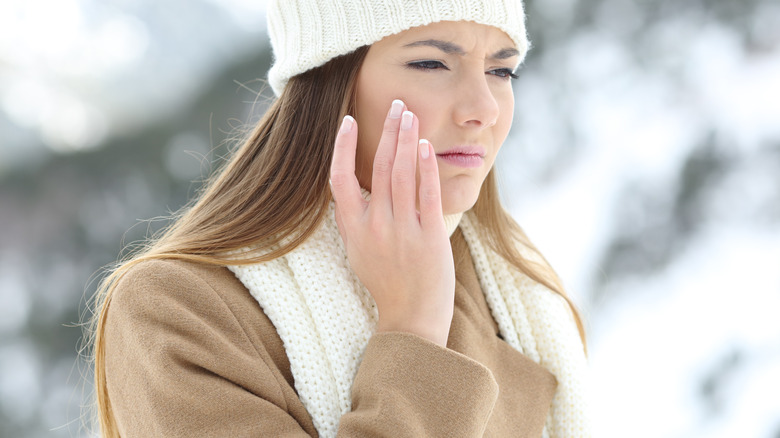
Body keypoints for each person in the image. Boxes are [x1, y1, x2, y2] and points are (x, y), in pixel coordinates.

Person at [88, 1, 590, 437]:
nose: (484, 108)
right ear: (331, 79)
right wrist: (412, 329)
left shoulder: (513, 290)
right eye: (432, 63)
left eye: (502, 71)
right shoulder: (178, 310)